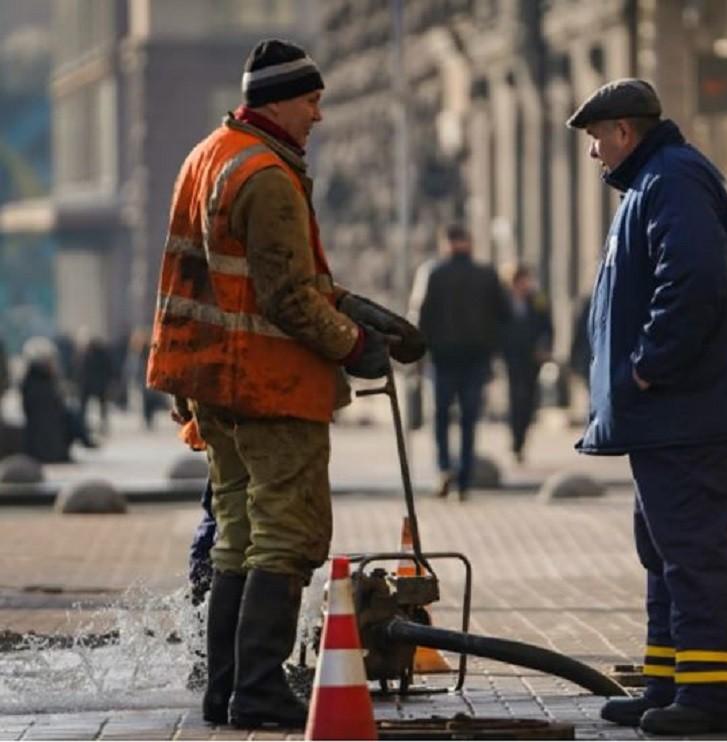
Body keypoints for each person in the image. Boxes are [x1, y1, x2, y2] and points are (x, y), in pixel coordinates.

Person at [145, 39, 424, 730]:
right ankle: (261, 689)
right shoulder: (266, 174)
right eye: (310, 101)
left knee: (238, 535)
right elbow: (285, 297)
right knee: (286, 535)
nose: (318, 116)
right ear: (277, 102)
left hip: (215, 383)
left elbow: (255, 276)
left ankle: (229, 688)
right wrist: (354, 343)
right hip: (265, 383)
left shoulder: (211, 153)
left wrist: (351, 303)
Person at [568, 79, 727, 735]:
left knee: (691, 548)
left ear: (625, 131)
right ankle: (670, 681)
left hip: (689, 411)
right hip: (670, 417)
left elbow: (693, 279)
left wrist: (650, 367)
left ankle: (713, 696)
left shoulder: (673, 180)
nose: (596, 153)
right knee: (663, 549)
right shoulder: (656, 181)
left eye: (598, 139)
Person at [417, 225, 510, 500]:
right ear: (469, 243)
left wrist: (420, 354)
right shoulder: (486, 274)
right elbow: (503, 315)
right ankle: (465, 479)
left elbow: (422, 315)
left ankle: (445, 469)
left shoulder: (434, 273)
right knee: (469, 419)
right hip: (476, 359)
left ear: (446, 244)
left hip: (443, 358)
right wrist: (493, 349)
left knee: (441, 416)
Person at [501, 265, 553, 464]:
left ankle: (521, 435)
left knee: (529, 399)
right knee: (516, 397)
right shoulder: (504, 300)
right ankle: (516, 440)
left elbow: (547, 325)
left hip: (533, 357)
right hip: (512, 357)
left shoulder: (537, 299)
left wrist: (545, 346)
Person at [20, 336, 95, 463]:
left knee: (72, 413)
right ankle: (86, 440)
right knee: (72, 414)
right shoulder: (45, 385)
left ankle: (86, 440)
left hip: (36, 448)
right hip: (52, 448)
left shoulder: (30, 383)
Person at [77, 333, 115, 436]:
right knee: (101, 407)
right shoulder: (103, 354)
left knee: (86, 406)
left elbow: (81, 370)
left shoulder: (87, 354)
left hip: (89, 385)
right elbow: (109, 369)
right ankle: (98, 425)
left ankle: (83, 424)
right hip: (99, 385)